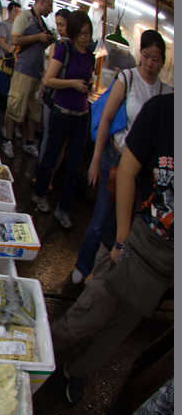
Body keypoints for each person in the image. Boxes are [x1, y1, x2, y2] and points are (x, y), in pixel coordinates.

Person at [51, 93, 173, 405]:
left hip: (162, 264)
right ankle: (37, 353)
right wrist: (120, 240)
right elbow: (127, 172)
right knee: (87, 316)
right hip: (128, 239)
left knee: (115, 333)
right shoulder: (162, 111)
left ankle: (77, 369)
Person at [71, 30, 173, 283]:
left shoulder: (165, 92)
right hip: (115, 162)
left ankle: (110, 275)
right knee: (102, 216)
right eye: (146, 57)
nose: (150, 64)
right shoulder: (127, 79)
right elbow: (105, 119)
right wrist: (95, 162)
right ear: (141, 55)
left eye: (156, 60)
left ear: (163, 63)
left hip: (143, 172)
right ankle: (83, 267)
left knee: (130, 222)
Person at [31, 10, 95, 229]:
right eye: (82, 33)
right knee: (51, 155)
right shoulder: (64, 49)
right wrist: (73, 84)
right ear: (75, 31)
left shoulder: (90, 55)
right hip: (61, 112)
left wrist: (86, 86)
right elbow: (49, 80)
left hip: (82, 116)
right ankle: (39, 195)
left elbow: (86, 79)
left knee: (74, 165)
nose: (85, 38)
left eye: (89, 33)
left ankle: (63, 209)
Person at [2, 0, 54, 158]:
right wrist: (38, 37)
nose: (51, 11)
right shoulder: (24, 17)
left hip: (38, 71)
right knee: (15, 105)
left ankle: (29, 143)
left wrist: (46, 40)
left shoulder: (41, 22)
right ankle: (8, 141)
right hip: (23, 69)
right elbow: (16, 40)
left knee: (35, 110)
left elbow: (40, 47)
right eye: (50, 6)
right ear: (42, 3)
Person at [0, 1, 21, 117]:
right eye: (15, 11)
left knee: (5, 87)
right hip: (4, 62)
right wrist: (12, 51)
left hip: (12, 63)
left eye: (19, 12)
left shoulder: (18, 27)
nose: (17, 14)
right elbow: (1, 42)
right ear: (9, 11)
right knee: (4, 87)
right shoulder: (5, 25)